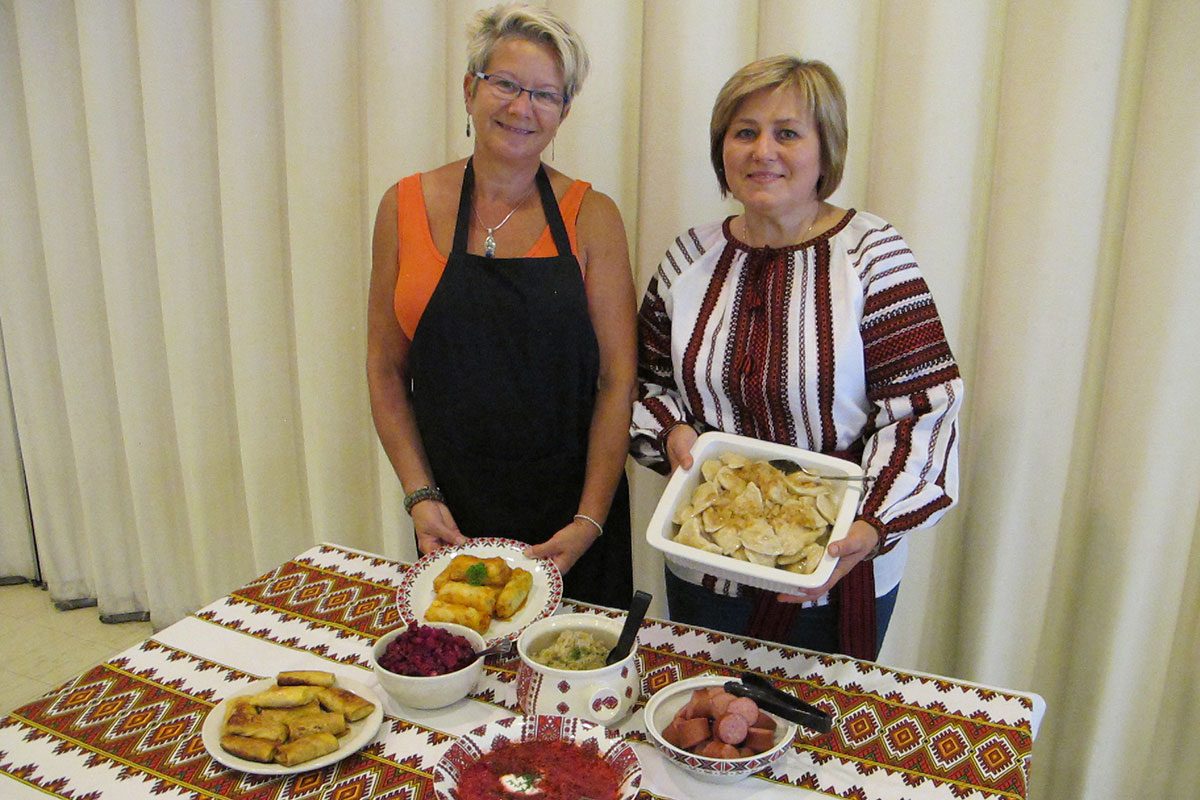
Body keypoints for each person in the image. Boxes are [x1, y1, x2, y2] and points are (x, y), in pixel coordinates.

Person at [631, 56, 963, 659]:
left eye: (787, 132)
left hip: (835, 567)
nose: (764, 150)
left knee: (806, 736)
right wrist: (672, 431)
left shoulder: (873, 257)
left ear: (824, 150)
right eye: (744, 131)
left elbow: (922, 412)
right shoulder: (689, 257)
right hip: (705, 561)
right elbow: (642, 383)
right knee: (703, 720)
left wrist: (871, 526)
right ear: (722, 151)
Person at [367, 3, 636, 608]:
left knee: (575, 686)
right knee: (459, 674)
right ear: (470, 88)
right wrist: (420, 496)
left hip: (571, 519)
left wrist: (590, 520)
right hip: (450, 512)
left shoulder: (593, 217)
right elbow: (386, 368)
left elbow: (618, 379)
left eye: (545, 94)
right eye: (506, 84)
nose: (521, 108)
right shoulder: (403, 206)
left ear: (563, 112)